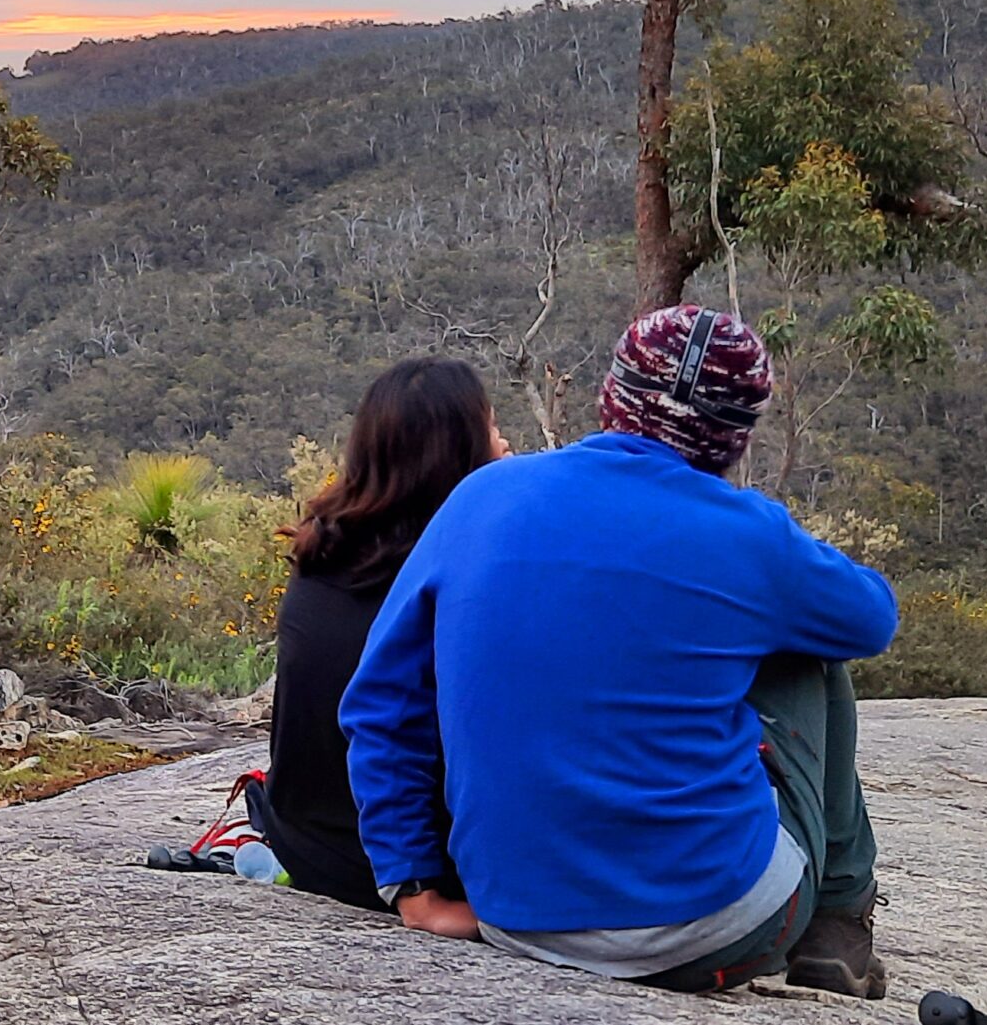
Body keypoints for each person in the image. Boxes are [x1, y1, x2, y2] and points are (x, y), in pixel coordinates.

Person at [340, 306, 898, 998]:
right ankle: (841, 915)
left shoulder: (481, 495)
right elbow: (872, 618)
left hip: (514, 917)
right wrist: (770, 546)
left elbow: (379, 701)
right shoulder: (747, 534)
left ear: (610, 397)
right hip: (716, 929)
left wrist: (414, 886)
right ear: (736, 437)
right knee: (812, 649)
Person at [147, 356, 506, 911]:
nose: (504, 444)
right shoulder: (459, 579)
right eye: (492, 428)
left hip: (308, 843)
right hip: (403, 873)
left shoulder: (322, 559)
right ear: (460, 453)